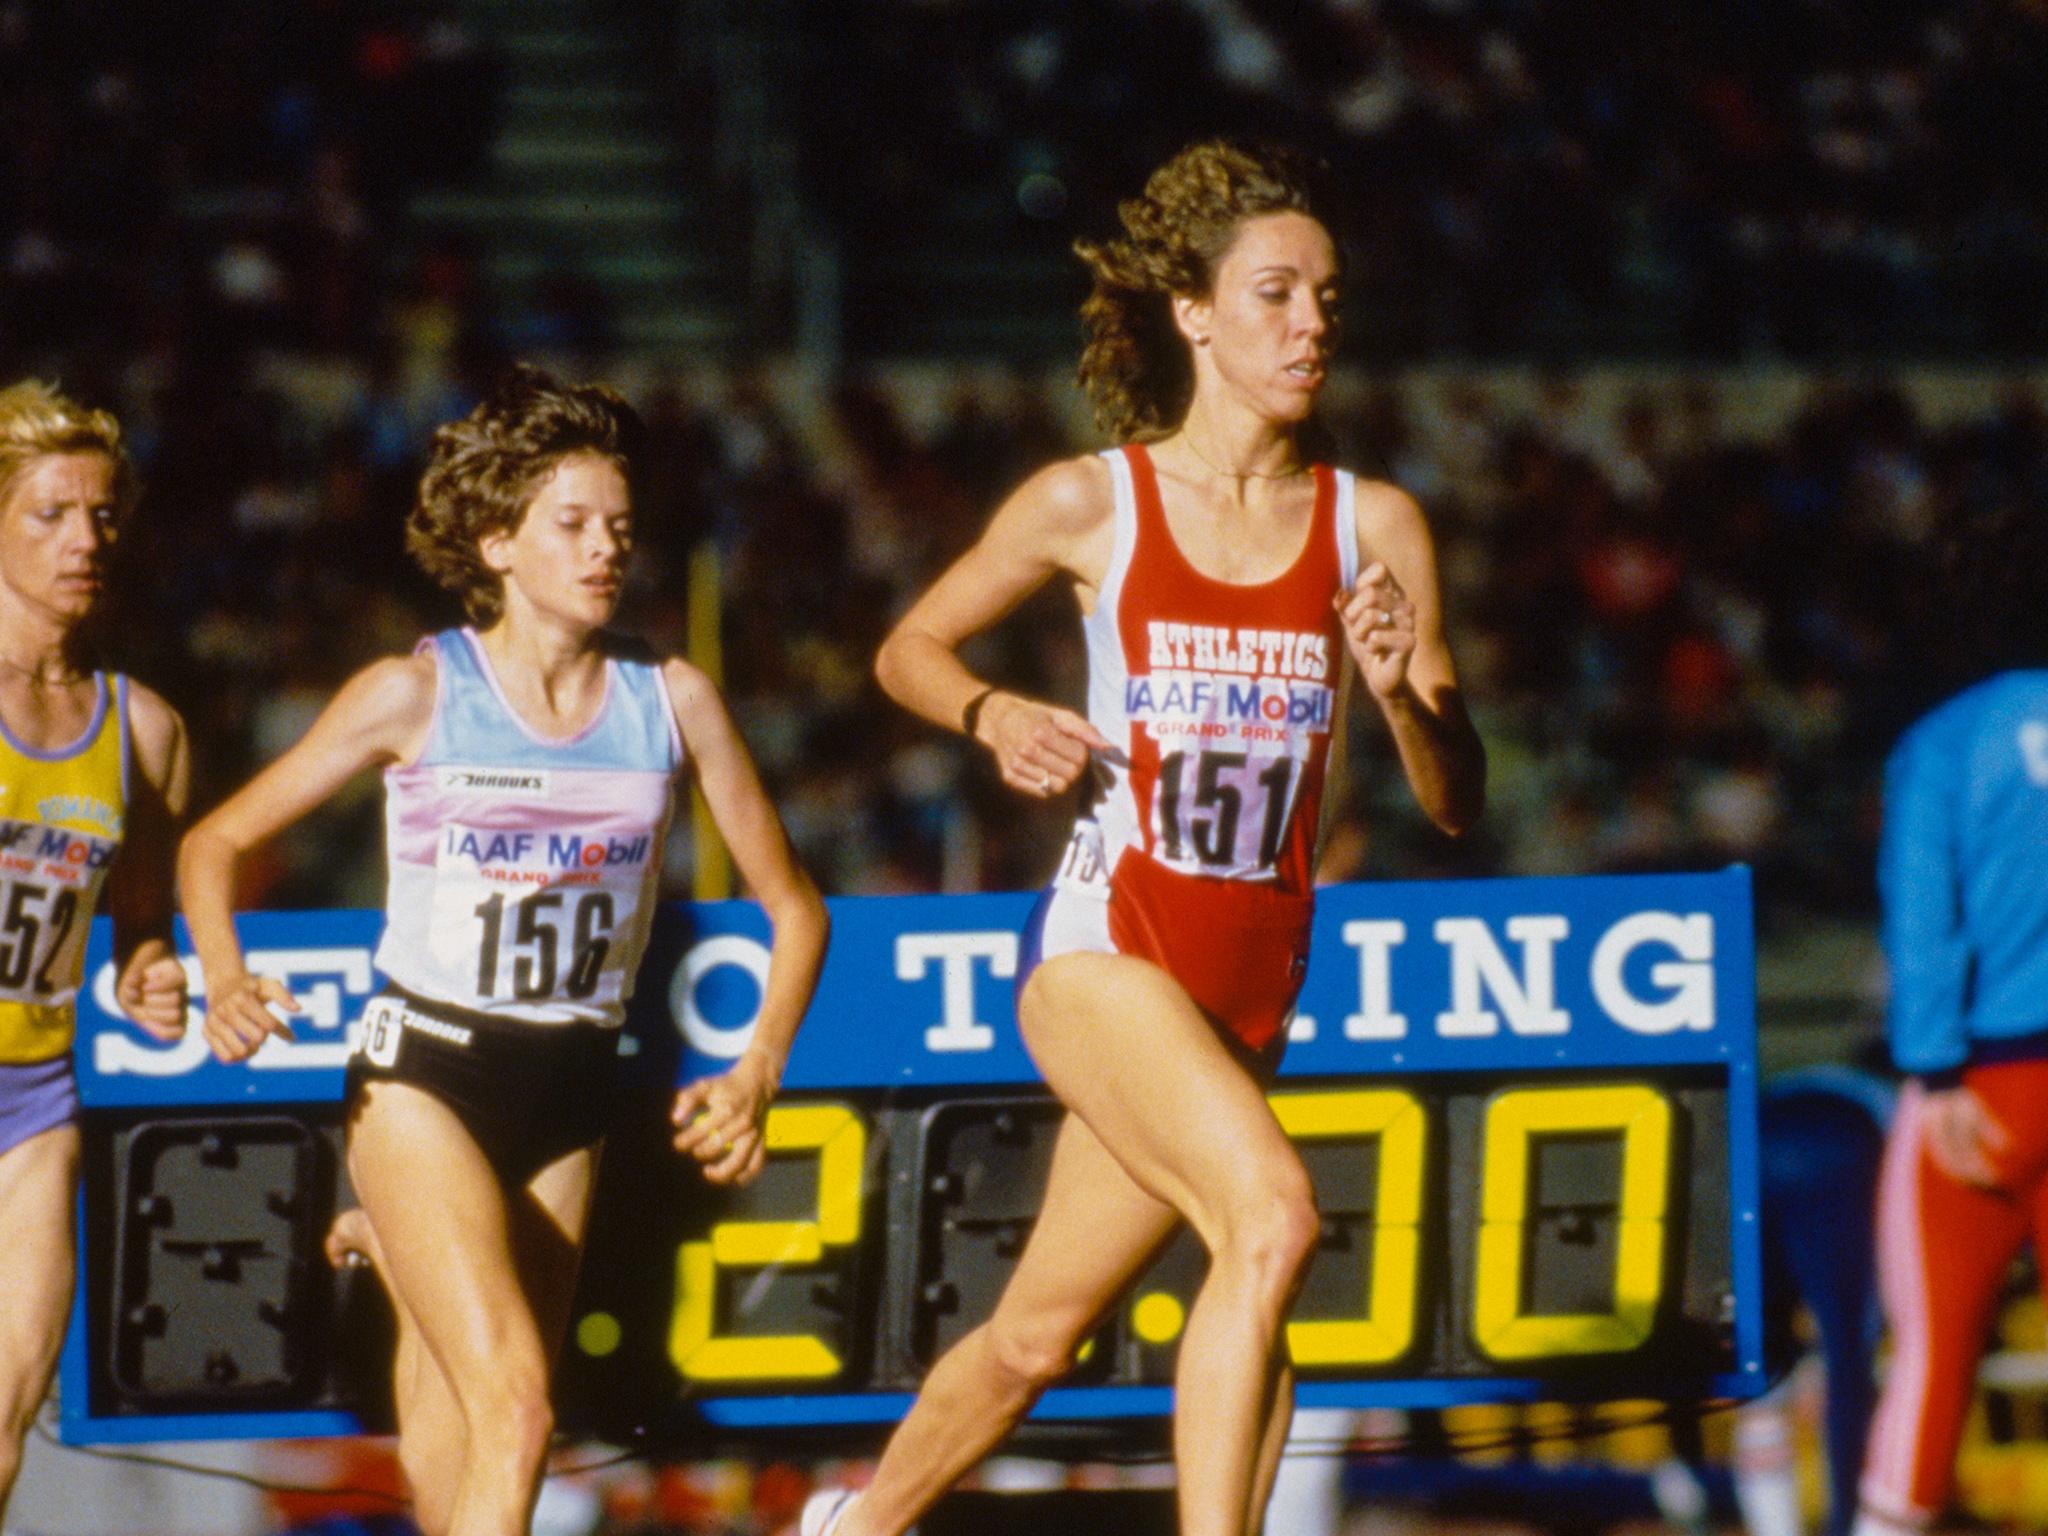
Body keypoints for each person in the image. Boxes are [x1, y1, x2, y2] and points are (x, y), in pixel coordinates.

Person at [805, 140, 1484, 1536]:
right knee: (1276, 1217)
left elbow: (1452, 796)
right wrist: (991, 713)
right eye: (1277, 295)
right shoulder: (1090, 502)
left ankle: (852, 1527)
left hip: (1251, 986)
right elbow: (906, 649)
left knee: (1036, 1338)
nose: (1313, 325)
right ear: (1195, 314)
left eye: (1328, 298)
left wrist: (1400, 693)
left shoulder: (1378, 528)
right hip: (1108, 945)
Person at [178, 366, 829, 1536]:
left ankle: (407, 1232)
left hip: (567, 1093)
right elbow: (213, 843)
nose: (602, 551)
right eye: (569, 526)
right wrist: (223, 976)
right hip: (426, 1074)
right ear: (496, 543)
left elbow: (795, 909)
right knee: (519, 1410)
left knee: (457, 1425)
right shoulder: (413, 695)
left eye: (618, 529)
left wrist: (758, 1064)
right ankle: (405, 1203)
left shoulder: (672, 701)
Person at [0, 382, 189, 1517]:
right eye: (51, 514)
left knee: (7, 1405)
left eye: (103, 514)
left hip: (29, 1105)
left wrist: (151, 978)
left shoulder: (144, 730)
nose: (85, 540)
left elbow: (140, 940)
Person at [1851, 502, 2048, 1536]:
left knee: (1932, 1358)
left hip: (1981, 1082)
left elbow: (1920, 927)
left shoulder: (1940, 742)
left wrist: (1930, 1073)